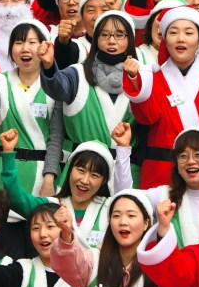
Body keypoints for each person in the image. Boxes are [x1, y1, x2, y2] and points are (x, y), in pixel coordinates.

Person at [122, 5, 199, 189]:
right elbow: (147, 117)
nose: (181, 39)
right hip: (160, 174)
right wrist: (134, 80)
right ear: (164, 38)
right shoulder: (151, 78)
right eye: (173, 33)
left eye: (188, 33)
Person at [0, 19, 63, 196]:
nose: (25, 48)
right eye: (19, 42)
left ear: (44, 47)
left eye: (32, 42)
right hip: (2, 171)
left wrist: (49, 178)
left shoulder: (55, 86)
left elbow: (56, 138)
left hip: (40, 174)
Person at [39, 10, 144, 184]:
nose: (111, 40)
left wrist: (135, 79)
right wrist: (49, 66)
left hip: (125, 174)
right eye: (104, 35)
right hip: (80, 175)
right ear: (95, 39)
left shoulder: (142, 77)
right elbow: (57, 87)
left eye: (119, 35)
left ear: (130, 40)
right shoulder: (77, 73)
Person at [0, 127, 132, 249]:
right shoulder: (51, 205)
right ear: (69, 171)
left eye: (94, 175)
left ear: (103, 181)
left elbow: (126, 197)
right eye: (80, 170)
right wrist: (8, 153)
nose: (85, 180)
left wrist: (123, 149)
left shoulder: (110, 209)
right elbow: (16, 199)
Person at [52, 190, 171, 287]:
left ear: (146, 223)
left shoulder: (157, 267)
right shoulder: (96, 260)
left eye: (131, 215)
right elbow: (71, 263)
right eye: (116, 215)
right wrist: (66, 232)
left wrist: (164, 230)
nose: (123, 222)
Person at [0, 202, 83, 287]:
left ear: (66, 229)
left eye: (50, 226)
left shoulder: (84, 273)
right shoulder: (23, 270)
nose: (42, 234)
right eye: (35, 228)